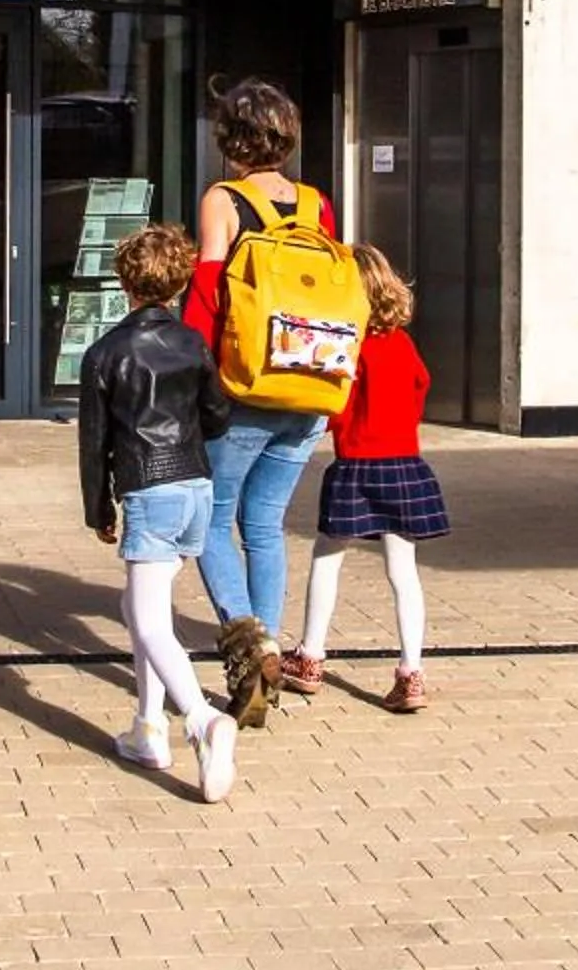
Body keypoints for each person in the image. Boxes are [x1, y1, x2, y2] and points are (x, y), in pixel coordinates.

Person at [184, 77, 336, 728]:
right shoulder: (316, 204)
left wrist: (190, 377)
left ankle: (252, 650)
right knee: (265, 525)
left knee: (211, 521)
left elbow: (207, 295)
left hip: (243, 389)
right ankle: (269, 643)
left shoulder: (223, 199)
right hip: (308, 389)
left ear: (230, 140)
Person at [78, 220, 240, 802]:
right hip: (196, 485)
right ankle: (147, 726)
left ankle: (199, 719)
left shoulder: (105, 353)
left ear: (124, 282)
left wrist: (98, 506)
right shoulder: (193, 343)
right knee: (140, 606)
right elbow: (217, 414)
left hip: (148, 489)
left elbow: (94, 442)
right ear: (180, 282)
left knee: (148, 621)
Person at [280, 243, 446, 713]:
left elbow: (336, 408)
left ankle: (310, 656)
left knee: (327, 556)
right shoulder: (402, 342)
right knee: (403, 571)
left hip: (355, 463)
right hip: (403, 463)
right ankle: (411, 672)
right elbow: (420, 383)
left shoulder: (346, 345)